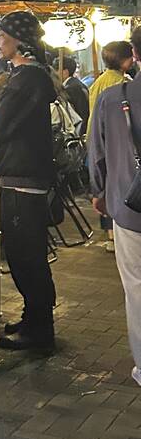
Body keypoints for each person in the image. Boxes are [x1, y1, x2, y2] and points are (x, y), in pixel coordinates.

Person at [0, 11, 57, 354]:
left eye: (2, 35)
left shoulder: (25, 78)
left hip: (23, 179)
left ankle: (39, 329)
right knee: (26, 253)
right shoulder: (34, 77)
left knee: (25, 255)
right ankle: (33, 319)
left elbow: (0, 127)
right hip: (26, 175)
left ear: (19, 40)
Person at [89, 25, 141, 388]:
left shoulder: (113, 98)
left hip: (129, 206)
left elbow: (97, 154)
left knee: (136, 288)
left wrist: (98, 192)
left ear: (135, 54)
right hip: (125, 206)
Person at [88, 40, 132, 249]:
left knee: (107, 184)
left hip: (97, 137)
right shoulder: (120, 85)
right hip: (117, 142)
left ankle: (110, 234)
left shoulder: (99, 81)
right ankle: (113, 233)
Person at [89, 41, 133, 135]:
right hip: (115, 134)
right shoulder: (121, 82)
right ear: (122, 59)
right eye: (131, 56)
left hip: (97, 131)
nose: (134, 59)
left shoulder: (100, 80)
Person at [60, 55, 90, 136]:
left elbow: (78, 113)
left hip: (80, 130)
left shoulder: (70, 88)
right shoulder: (78, 84)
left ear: (65, 72)